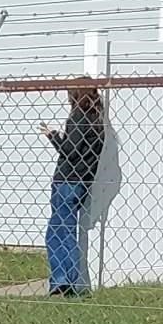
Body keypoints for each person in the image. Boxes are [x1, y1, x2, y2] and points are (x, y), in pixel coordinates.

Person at [39, 86, 106, 296]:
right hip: (82, 183)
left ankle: (64, 280)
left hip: (66, 182)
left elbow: (70, 150)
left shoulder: (78, 117)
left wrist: (53, 136)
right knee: (64, 231)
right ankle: (64, 280)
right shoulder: (97, 121)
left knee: (58, 233)